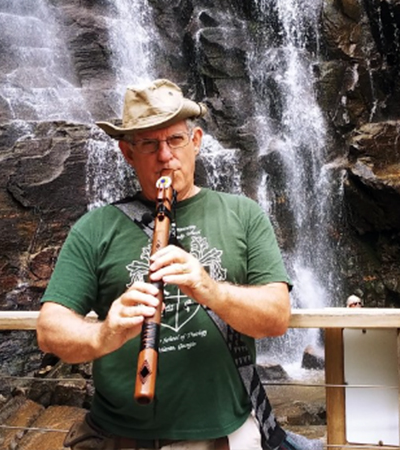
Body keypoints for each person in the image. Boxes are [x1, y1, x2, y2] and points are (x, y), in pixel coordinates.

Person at [37, 79, 294, 450]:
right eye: (148, 144)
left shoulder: (244, 214)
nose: (164, 155)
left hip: (221, 435)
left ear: (196, 141)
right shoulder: (95, 228)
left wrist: (210, 289)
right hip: (118, 436)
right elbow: (50, 330)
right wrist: (104, 333)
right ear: (128, 152)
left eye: (174, 140)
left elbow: (276, 317)